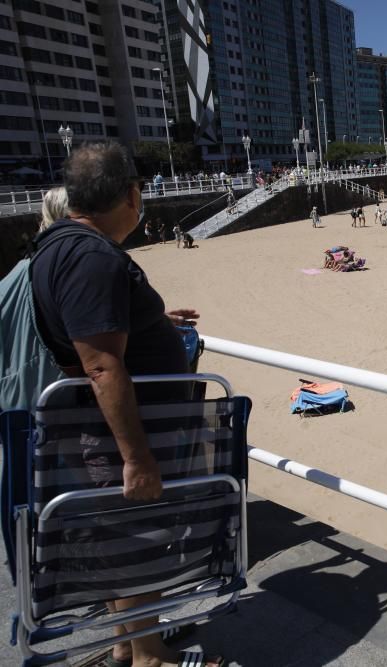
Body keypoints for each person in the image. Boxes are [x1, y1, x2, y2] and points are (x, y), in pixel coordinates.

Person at [30, 142, 223, 667]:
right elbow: (101, 366)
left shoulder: (56, 248)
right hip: (129, 433)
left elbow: (94, 338)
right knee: (138, 541)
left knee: (123, 540)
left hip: (111, 425)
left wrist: (155, 325)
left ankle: (125, 643)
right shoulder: (91, 256)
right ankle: (149, 658)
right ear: (131, 195)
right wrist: (136, 457)